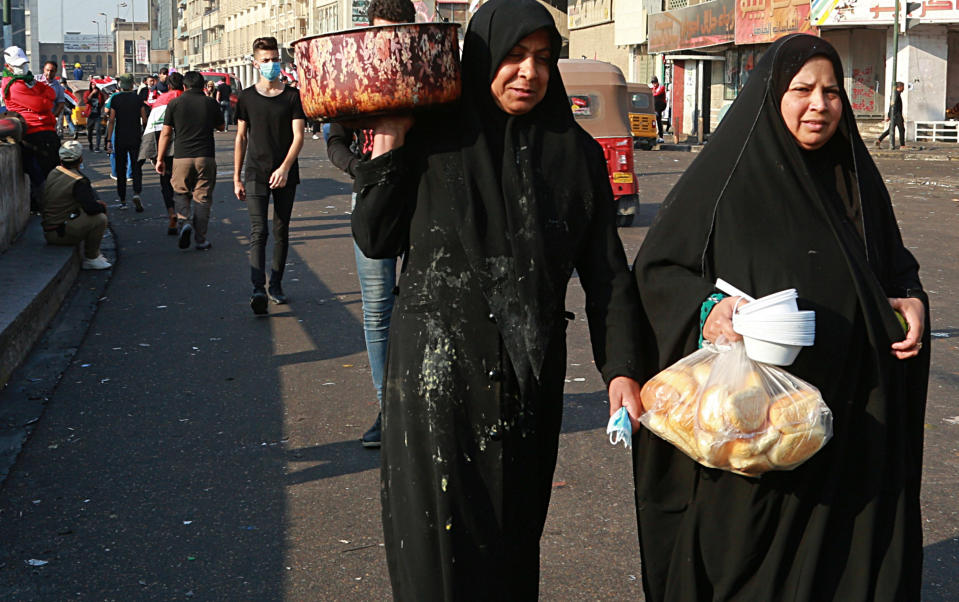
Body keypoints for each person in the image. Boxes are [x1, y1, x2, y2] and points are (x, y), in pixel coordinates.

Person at [351, 0, 643, 596]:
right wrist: (390, 144)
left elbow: (607, 274)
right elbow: (376, 238)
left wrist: (622, 369)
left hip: (527, 381)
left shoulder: (576, 155)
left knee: (511, 544)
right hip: (436, 386)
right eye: (513, 57)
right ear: (483, 58)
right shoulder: (429, 138)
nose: (528, 73)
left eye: (541, 59)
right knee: (436, 552)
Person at [631, 34, 929, 601]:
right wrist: (710, 311)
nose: (819, 104)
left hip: (849, 421)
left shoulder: (856, 178)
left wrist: (910, 297)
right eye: (802, 90)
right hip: (759, 430)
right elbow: (657, 272)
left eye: (832, 92)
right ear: (771, 96)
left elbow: (894, 267)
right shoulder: (724, 183)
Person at [328, 0, 414, 448]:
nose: (388, 43)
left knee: (424, 303)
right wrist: (360, 170)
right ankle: (389, 410)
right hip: (371, 204)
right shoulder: (353, 77)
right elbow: (335, 138)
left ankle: (423, 404)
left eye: (396, 33)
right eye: (381, 33)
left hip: (423, 206)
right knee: (378, 310)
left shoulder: (427, 74)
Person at [234, 37, 305, 314]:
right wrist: (236, 177)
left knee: (281, 229)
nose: (272, 64)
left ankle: (275, 284)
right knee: (258, 231)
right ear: (255, 63)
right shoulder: (247, 98)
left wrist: (285, 168)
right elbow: (240, 138)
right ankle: (257, 288)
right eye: (266, 60)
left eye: (275, 59)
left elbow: (298, 137)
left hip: (286, 172)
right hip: (255, 172)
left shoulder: (292, 96)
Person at [156, 70, 225, 250]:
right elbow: (221, 126)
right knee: (202, 198)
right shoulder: (210, 103)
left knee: (180, 193)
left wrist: (160, 158)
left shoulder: (175, 103)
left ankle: (184, 222)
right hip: (205, 156)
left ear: (184, 86)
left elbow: (166, 133)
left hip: (181, 157)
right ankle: (201, 239)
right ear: (203, 86)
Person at [3, 46, 58, 211]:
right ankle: (48, 211)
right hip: (35, 133)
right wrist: (44, 99)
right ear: (8, 67)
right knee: (44, 179)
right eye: (19, 65)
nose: (23, 68)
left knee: (52, 176)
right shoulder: (13, 85)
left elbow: (51, 93)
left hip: (46, 130)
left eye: (24, 64)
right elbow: (42, 104)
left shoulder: (27, 81)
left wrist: (42, 96)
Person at [41, 140, 111, 270]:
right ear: (80, 159)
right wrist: (101, 207)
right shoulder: (79, 180)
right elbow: (91, 209)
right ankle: (92, 257)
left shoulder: (55, 172)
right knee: (100, 219)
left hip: (50, 229)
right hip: (59, 233)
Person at [140, 72, 184, 235]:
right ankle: (182, 214)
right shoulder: (186, 98)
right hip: (183, 149)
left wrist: (154, 155)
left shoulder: (160, 100)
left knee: (166, 183)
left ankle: (171, 213)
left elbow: (151, 128)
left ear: (169, 86)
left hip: (163, 149)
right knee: (183, 184)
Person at [105, 74, 147, 212]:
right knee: (136, 167)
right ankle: (136, 193)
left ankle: (122, 200)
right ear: (132, 85)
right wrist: (144, 133)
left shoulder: (115, 98)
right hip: (135, 137)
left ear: (120, 85)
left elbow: (111, 120)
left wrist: (108, 139)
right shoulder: (138, 98)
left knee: (120, 169)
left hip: (120, 138)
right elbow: (144, 119)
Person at [877, 81, 906, 150]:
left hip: (894, 115)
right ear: (900, 87)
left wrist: (890, 115)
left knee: (890, 130)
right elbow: (893, 105)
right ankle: (902, 145)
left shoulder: (895, 94)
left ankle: (879, 140)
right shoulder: (896, 94)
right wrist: (890, 115)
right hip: (897, 116)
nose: (904, 89)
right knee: (902, 130)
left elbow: (891, 105)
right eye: (903, 87)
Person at [83, 80, 106, 152]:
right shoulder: (87, 92)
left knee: (98, 130)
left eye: (95, 85)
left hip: (97, 115)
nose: (94, 86)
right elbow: (86, 101)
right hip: (90, 115)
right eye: (92, 85)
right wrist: (92, 94)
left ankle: (97, 147)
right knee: (89, 131)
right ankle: (90, 144)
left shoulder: (100, 94)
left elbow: (102, 103)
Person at [650, 75, 667, 142]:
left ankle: (661, 136)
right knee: (656, 120)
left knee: (658, 118)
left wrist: (652, 93)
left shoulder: (661, 87)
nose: (654, 84)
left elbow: (657, 94)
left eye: (654, 83)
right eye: (653, 83)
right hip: (655, 106)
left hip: (661, 104)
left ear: (657, 82)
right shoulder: (653, 89)